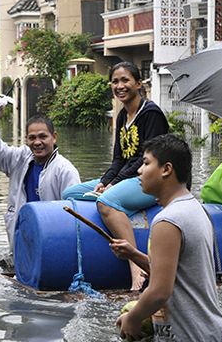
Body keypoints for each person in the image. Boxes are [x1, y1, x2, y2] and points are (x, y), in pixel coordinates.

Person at [111, 134, 222, 342]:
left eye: (146, 163)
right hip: (210, 336)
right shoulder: (195, 208)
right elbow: (178, 273)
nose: (139, 171)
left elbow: (159, 291)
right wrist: (134, 255)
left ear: (166, 169)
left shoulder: (168, 220)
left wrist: (133, 319)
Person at [63, 62, 169, 291]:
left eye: (125, 80)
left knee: (107, 201)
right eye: (115, 81)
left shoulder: (151, 114)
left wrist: (112, 185)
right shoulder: (121, 116)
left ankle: (136, 267)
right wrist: (103, 182)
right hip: (126, 178)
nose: (120, 86)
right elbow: (118, 160)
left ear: (138, 84)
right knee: (71, 193)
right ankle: (118, 203)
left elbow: (145, 159)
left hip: (152, 181)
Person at [0, 109, 80, 254]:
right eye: (32, 138)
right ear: (26, 139)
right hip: (21, 239)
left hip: (51, 242)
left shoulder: (65, 170)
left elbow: (75, 216)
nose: (37, 142)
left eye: (43, 137)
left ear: (54, 137)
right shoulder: (18, 159)